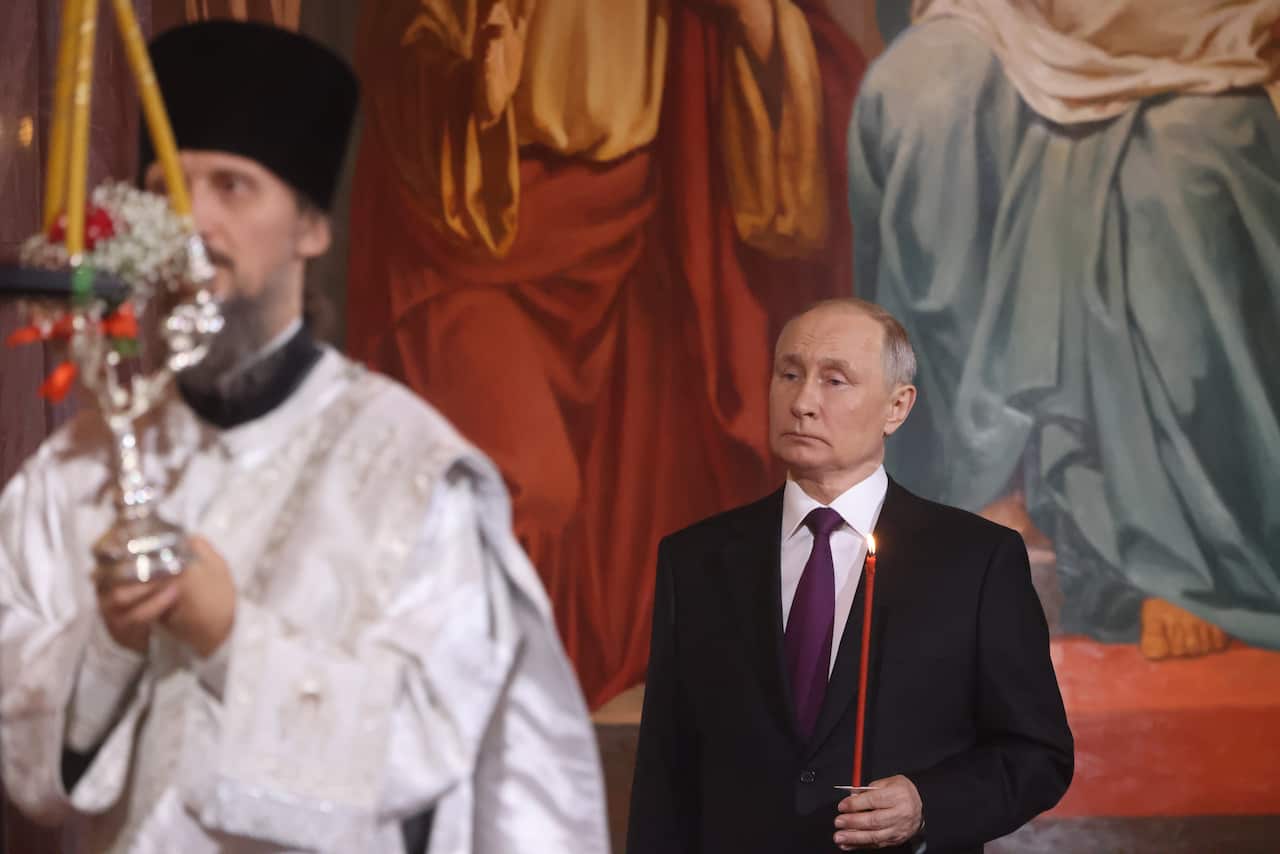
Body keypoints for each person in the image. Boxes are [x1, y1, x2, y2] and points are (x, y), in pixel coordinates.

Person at [0, 21, 608, 854]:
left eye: (233, 187)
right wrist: (109, 643)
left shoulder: (416, 472)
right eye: (167, 187)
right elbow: (22, 754)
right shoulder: (72, 471)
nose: (193, 222)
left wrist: (229, 640)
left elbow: (452, 753)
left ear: (312, 228)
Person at [346, 0, 866, 707]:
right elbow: (402, 50)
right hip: (475, 228)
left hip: (640, 234)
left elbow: (809, 71)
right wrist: (470, 84)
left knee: (668, 525)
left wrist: (759, 25)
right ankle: (496, 742)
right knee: (529, 486)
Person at [849, 0, 1280, 660]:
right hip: (1013, 15)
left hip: (1193, 30)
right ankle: (983, 485)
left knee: (1183, 170)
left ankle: (1181, 557)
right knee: (929, 93)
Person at [627, 298, 1073, 853]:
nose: (803, 402)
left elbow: (1038, 754)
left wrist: (927, 802)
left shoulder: (977, 561)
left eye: (835, 380)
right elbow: (663, 773)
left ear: (897, 407)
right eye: (789, 374)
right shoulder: (695, 559)